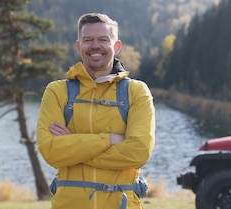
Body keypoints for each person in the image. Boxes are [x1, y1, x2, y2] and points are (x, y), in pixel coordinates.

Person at [36, 13, 155, 209]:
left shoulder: (136, 91)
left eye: (103, 39)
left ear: (117, 46)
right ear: (78, 46)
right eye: (88, 40)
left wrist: (74, 147)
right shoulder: (57, 92)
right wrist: (110, 139)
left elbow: (139, 152)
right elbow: (51, 152)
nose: (95, 46)